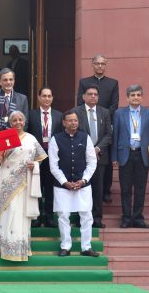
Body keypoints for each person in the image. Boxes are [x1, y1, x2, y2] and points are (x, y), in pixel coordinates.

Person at [0, 111, 47, 261]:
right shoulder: (5, 137)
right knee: (8, 212)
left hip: (23, 182)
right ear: (10, 123)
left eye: (20, 120)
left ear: (24, 121)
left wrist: (34, 164)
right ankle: (3, 247)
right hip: (6, 180)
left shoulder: (31, 138)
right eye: (14, 120)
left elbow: (40, 158)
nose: (17, 122)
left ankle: (19, 249)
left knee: (20, 213)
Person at [49, 110, 99, 257]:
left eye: (75, 120)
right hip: (62, 186)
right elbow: (53, 165)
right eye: (70, 120)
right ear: (64, 122)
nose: (73, 123)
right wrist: (65, 182)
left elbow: (92, 161)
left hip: (82, 184)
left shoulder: (85, 137)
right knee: (63, 216)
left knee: (86, 215)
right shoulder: (56, 139)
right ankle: (65, 246)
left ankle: (86, 247)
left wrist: (83, 180)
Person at [112, 85, 149, 229]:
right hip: (125, 154)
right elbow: (115, 137)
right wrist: (114, 157)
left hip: (142, 155)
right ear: (127, 97)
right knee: (125, 188)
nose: (136, 97)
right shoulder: (119, 113)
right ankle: (126, 218)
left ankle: (138, 218)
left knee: (140, 188)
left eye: (138, 95)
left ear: (142, 97)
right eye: (133, 95)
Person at [77, 54, 119, 203]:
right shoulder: (84, 82)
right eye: (97, 63)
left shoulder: (113, 83)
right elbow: (79, 102)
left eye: (103, 64)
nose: (100, 66)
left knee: (105, 160)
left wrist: (103, 115)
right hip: (86, 122)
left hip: (105, 122)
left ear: (105, 65)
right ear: (92, 64)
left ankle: (106, 190)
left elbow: (114, 105)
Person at [0, 68, 29, 214]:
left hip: (15, 147)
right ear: (0, 82)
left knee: (12, 181)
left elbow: (24, 123)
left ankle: (12, 213)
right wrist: (0, 142)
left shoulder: (22, 99)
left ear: (14, 81)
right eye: (5, 80)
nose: (8, 82)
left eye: (10, 79)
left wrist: (10, 142)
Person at [74, 85, 112, 228]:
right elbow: (74, 132)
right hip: (81, 156)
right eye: (90, 94)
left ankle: (97, 219)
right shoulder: (76, 112)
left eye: (95, 94)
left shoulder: (105, 112)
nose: (93, 96)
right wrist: (88, 149)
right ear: (83, 97)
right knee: (82, 188)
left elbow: (109, 134)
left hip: (100, 156)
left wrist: (96, 148)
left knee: (98, 189)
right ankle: (80, 219)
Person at [27, 87, 62, 227]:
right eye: (44, 96)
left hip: (52, 157)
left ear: (52, 98)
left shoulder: (59, 115)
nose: (46, 99)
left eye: (49, 96)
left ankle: (49, 216)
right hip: (36, 157)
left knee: (50, 187)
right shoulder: (31, 114)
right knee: (36, 187)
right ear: (39, 97)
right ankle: (36, 217)